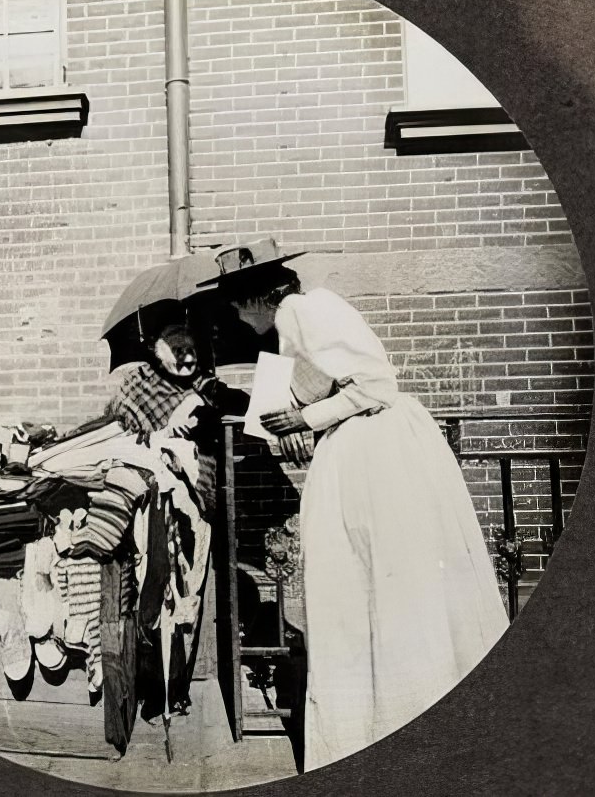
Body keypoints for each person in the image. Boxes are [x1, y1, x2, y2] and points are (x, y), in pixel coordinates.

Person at [199, 238, 510, 772]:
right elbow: (298, 399)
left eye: (233, 300)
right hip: (362, 448)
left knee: (376, 583)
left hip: (373, 451)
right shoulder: (291, 326)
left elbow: (375, 387)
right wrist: (292, 423)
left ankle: (394, 720)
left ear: (254, 297)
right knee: (378, 586)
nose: (232, 312)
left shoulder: (302, 310)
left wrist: (303, 421)